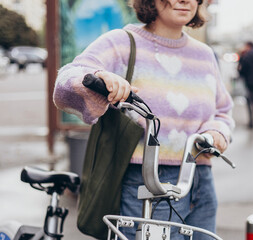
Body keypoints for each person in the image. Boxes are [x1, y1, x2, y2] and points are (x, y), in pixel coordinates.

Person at [53, 0, 235, 239]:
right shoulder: (121, 42)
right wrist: (100, 77)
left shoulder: (204, 55)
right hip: (144, 180)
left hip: (200, 179)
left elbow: (223, 111)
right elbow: (66, 82)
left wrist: (217, 133)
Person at [238, 41, 253, 129]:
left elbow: (242, 69)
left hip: (248, 82)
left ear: (248, 46)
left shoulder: (246, 55)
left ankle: (251, 122)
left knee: (249, 101)